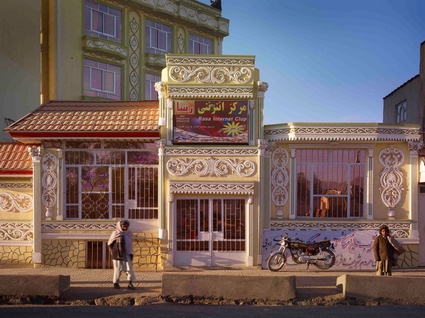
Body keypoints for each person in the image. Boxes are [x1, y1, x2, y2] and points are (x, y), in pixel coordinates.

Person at [108, 220, 136, 289]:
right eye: (123, 226)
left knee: (129, 269)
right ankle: (116, 283)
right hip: (117, 255)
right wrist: (113, 252)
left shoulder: (129, 233)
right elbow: (109, 244)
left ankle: (130, 283)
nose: (125, 228)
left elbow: (130, 245)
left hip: (127, 254)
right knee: (118, 269)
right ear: (120, 226)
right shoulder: (115, 233)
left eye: (126, 226)